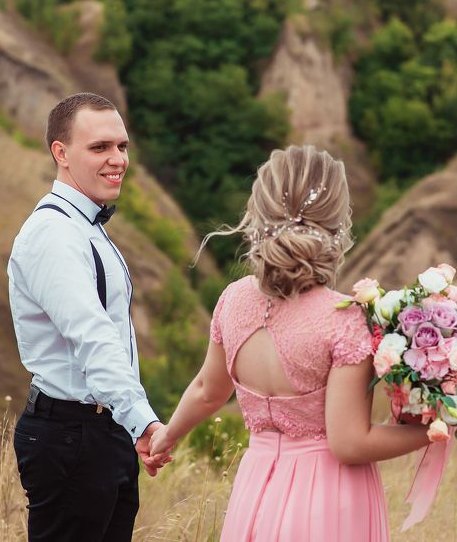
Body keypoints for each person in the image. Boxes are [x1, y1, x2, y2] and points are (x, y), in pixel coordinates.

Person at [149, 145, 439, 540]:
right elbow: (349, 443)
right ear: (338, 221)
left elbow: (206, 390)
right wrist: (432, 429)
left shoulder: (233, 300)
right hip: (330, 499)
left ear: (258, 212)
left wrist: (168, 434)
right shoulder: (345, 319)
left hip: (256, 490)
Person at [7, 92, 169, 542]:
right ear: (61, 153)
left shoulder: (86, 227)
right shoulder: (54, 235)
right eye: (100, 147)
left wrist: (128, 423)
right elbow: (92, 336)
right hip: (71, 435)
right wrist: (144, 421)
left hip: (103, 430)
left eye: (122, 146)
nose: (117, 159)